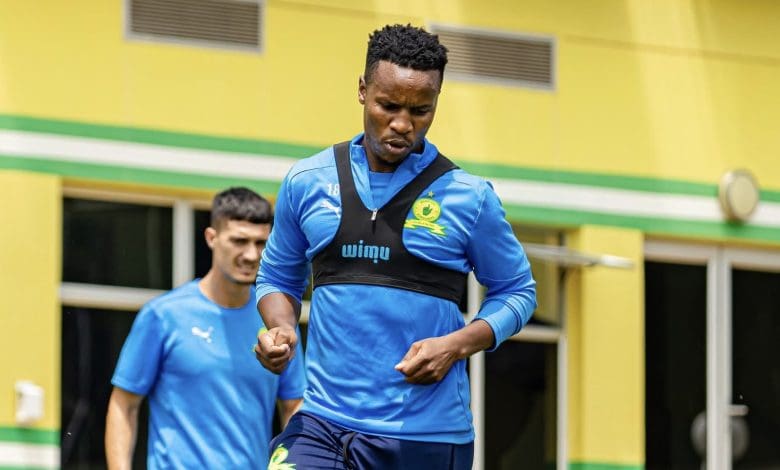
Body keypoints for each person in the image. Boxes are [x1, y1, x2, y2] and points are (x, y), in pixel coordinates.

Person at [254, 24, 537, 469]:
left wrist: (457, 345)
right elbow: (276, 277)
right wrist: (281, 328)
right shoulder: (307, 181)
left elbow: (518, 292)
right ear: (363, 91)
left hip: (426, 438)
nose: (402, 124)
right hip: (322, 424)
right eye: (388, 106)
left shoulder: (469, 196)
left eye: (421, 111)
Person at [105, 187, 306, 469]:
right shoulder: (164, 315)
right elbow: (123, 405)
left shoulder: (276, 323)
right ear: (212, 238)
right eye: (239, 240)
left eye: (261, 243)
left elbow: (294, 407)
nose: (251, 254)